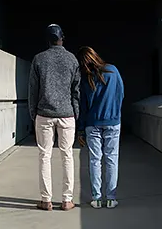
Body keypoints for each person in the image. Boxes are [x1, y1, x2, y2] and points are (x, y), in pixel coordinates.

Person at [28, 24, 80, 212]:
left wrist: (33, 113)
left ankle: (46, 200)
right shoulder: (72, 59)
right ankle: (67, 200)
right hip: (67, 114)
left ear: (47, 39)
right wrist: (75, 112)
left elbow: (33, 91)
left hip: (44, 114)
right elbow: (76, 91)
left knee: (44, 155)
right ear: (62, 38)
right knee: (67, 155)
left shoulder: (39, 59)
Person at [76, 46, 124, 209]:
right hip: (112, 122)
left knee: (95, 160)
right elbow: (121, 94)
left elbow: (83, 106)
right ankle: (111, 198)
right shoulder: (112, 71)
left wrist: (80, 129)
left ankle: (96, 198)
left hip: (92, 123)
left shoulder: (86, 79)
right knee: (112, 159)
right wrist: (115, 113)